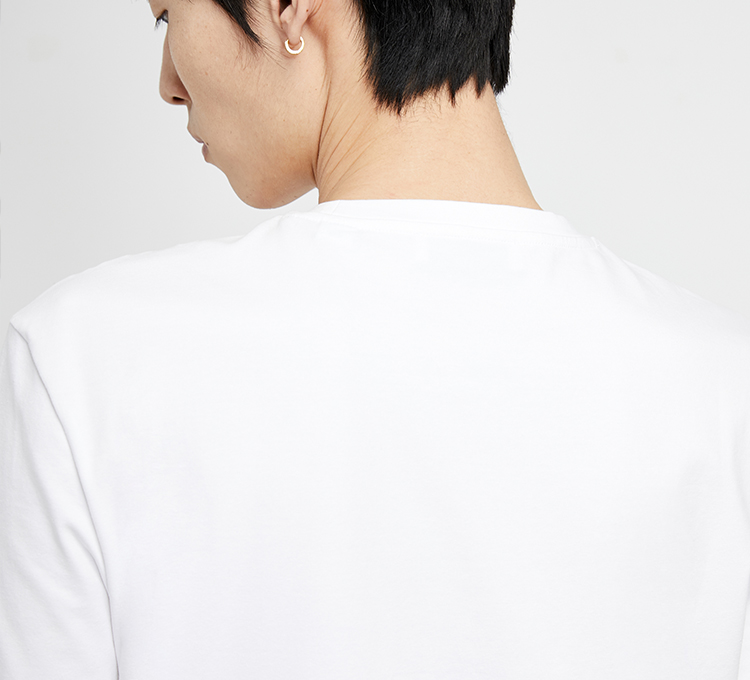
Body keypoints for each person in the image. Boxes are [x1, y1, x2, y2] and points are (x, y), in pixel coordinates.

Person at [1, 0, 749, 677]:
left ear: (289, 8)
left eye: (168, 16)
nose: (169, 82)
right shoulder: (720, 384)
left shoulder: (82, 361)